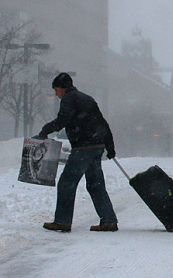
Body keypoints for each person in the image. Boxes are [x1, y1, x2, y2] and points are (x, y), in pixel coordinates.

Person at [38, 72, 118, 233]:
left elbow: (63, 120)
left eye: (56, 90)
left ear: (62, 88)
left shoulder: (69, 98)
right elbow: (102, 123)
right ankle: (108, 220)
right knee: (95, 185)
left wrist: (45, 130)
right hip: (96, 146)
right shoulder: (86, 99)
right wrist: (109, 146)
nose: (56, 94)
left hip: (83, 148)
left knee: (67, 183)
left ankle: (62, 221)